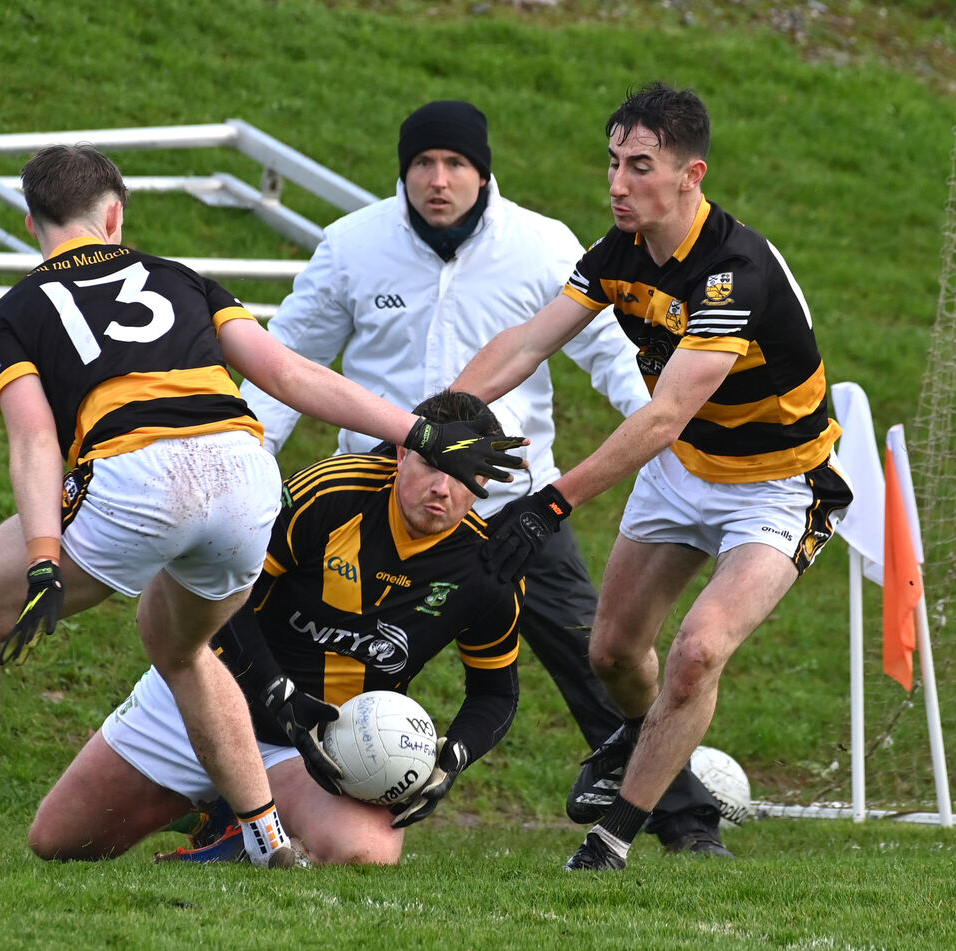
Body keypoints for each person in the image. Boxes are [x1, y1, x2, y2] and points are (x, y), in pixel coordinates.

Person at [0, 145, 525, 874]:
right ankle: (262, 835)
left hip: (138, 474)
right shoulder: (182, 278)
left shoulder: (15, 312)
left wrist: (41, 556)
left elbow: (34, 439)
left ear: (32, 222)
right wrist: (417, 430)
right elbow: (287, 372)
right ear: (116, 214)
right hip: (244, 471)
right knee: (183, 643)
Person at [238, 99, 727, 854]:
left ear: (483, 170)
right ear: (402, 173)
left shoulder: (542, 245)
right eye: (422, 165)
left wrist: (662, 427)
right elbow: (286, 363)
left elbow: (610, 351)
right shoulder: (350, 247)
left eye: (456, 164)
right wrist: (241, 465)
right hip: (376, 500)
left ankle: (685, 820)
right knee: (284, 648)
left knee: (600, 657)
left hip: (517, 506)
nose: (438, 180)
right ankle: (231, 792)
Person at [453, 82, 853, 871]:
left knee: (698, 650)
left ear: (690, 176)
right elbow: (529, 343)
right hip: (685, 470)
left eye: (640, 166)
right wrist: (438, 415)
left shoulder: (734, 273)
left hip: (781, 485)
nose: (617, 183)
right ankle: (649, 753)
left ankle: (616, 835)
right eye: (612, 162)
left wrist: (553, 498)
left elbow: (663, 414)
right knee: (611, 654)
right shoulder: (618, 253)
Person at [25, 390, 523, 865]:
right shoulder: (331, 493)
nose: (442, 489)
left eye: (463, 476)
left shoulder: (488, 569)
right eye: (433, 465)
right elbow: (219, 596)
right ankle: (213, 808)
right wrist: (274, 691)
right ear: (401, 453)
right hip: (206, 694)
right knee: (60, 841)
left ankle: (234, 828)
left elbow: (495, 693)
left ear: (485, 483)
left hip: (310, 748)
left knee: (366, 852)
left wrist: (455, 756)